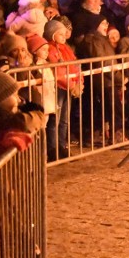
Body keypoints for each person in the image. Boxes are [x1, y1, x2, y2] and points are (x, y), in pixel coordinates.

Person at [43, 19, 82, 159]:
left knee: (64, 119)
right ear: (52, 35)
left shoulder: (67, 49)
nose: (64, 36)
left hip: (69, 88)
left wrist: (79, 82)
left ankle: (62, 146)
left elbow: (75, 65)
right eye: (60, 34)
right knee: (55, 120)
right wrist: (71, 85)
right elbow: (58, 71)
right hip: (59, 87)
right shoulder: (51, 49)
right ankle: (53, 149)